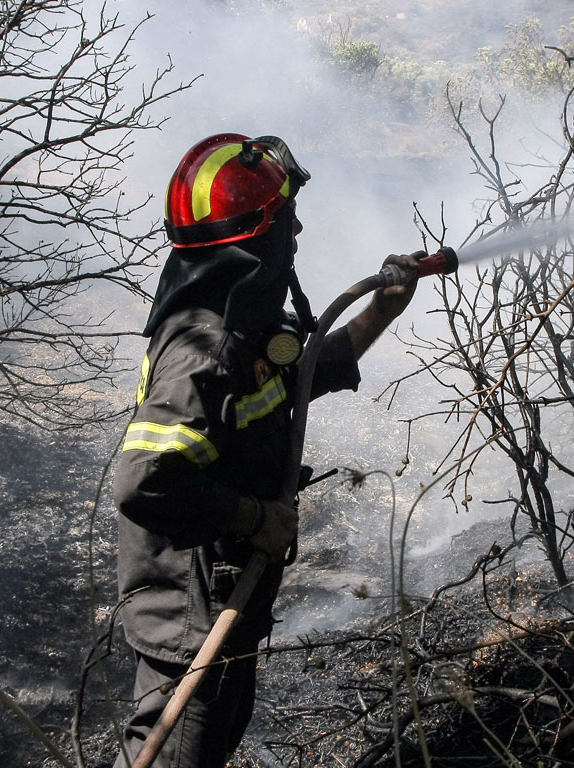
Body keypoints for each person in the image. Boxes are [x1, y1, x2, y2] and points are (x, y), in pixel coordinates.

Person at [112, 133, 422, 768]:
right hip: (193, 615)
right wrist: (256, 518)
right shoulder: (205, 351)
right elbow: (144, 480)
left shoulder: (240, 328)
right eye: (285, 219)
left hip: (224, 606)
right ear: (254, 238)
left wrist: (381, 312)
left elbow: (299, 374)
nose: (297, 230)